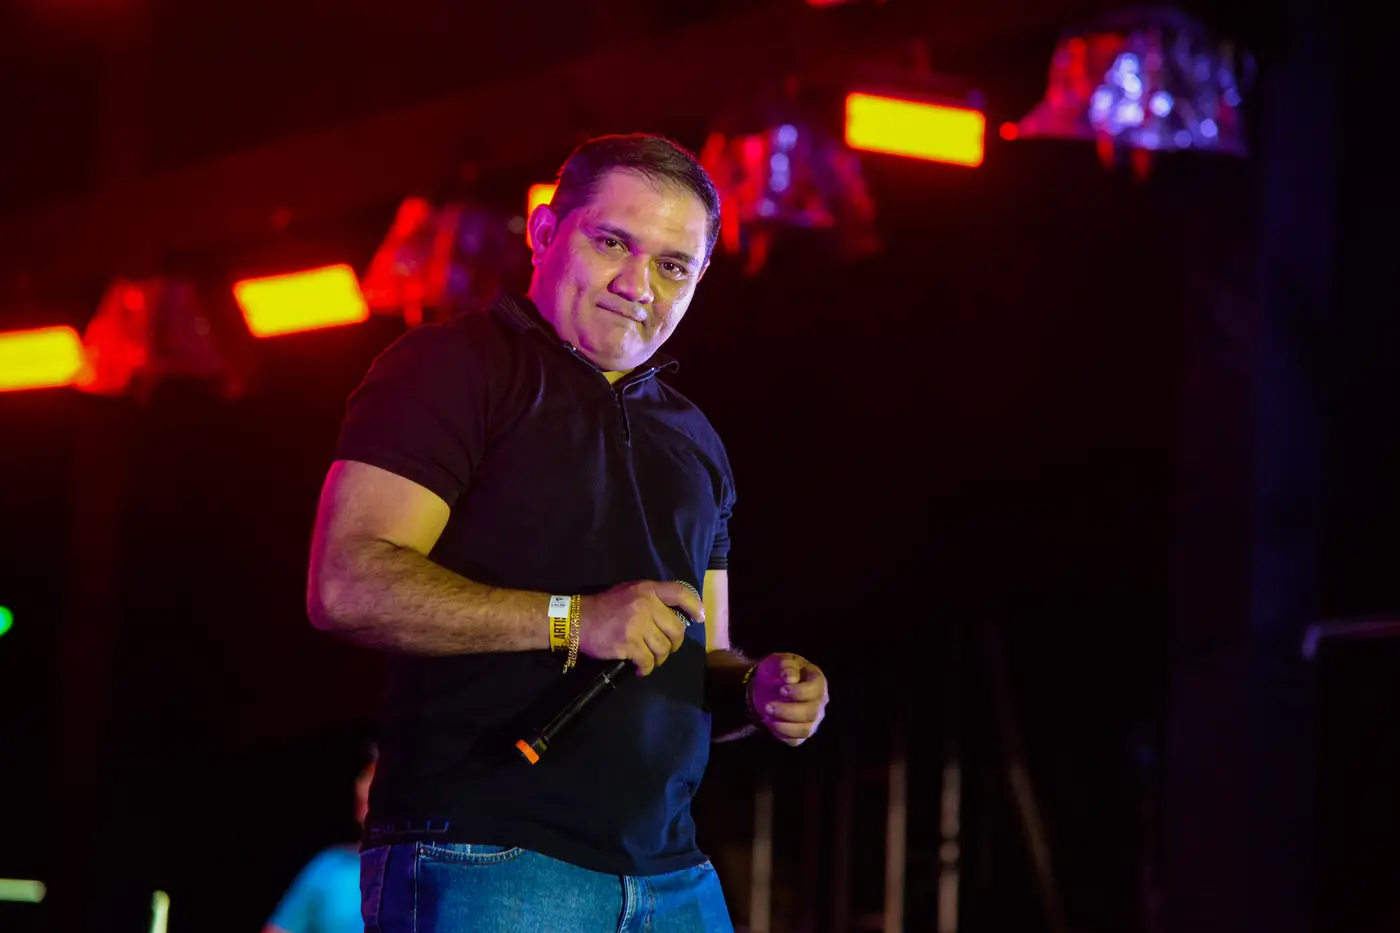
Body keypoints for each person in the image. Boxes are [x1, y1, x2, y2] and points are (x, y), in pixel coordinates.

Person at [306, 133, 830, 932]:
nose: (637, 285)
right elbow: (347, 583)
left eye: (672, 265)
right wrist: (574, 620)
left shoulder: (695, 439)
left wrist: (758, 690)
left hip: (672, 874)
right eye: (612, 242)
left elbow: (705, 657)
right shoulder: (453, 366)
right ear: (545, 231)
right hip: (484, 853)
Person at [263, 747, 377, 933]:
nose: (361, 787)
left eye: (375, 776)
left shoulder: (421, 868)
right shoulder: (328, 866)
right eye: (364, 776)